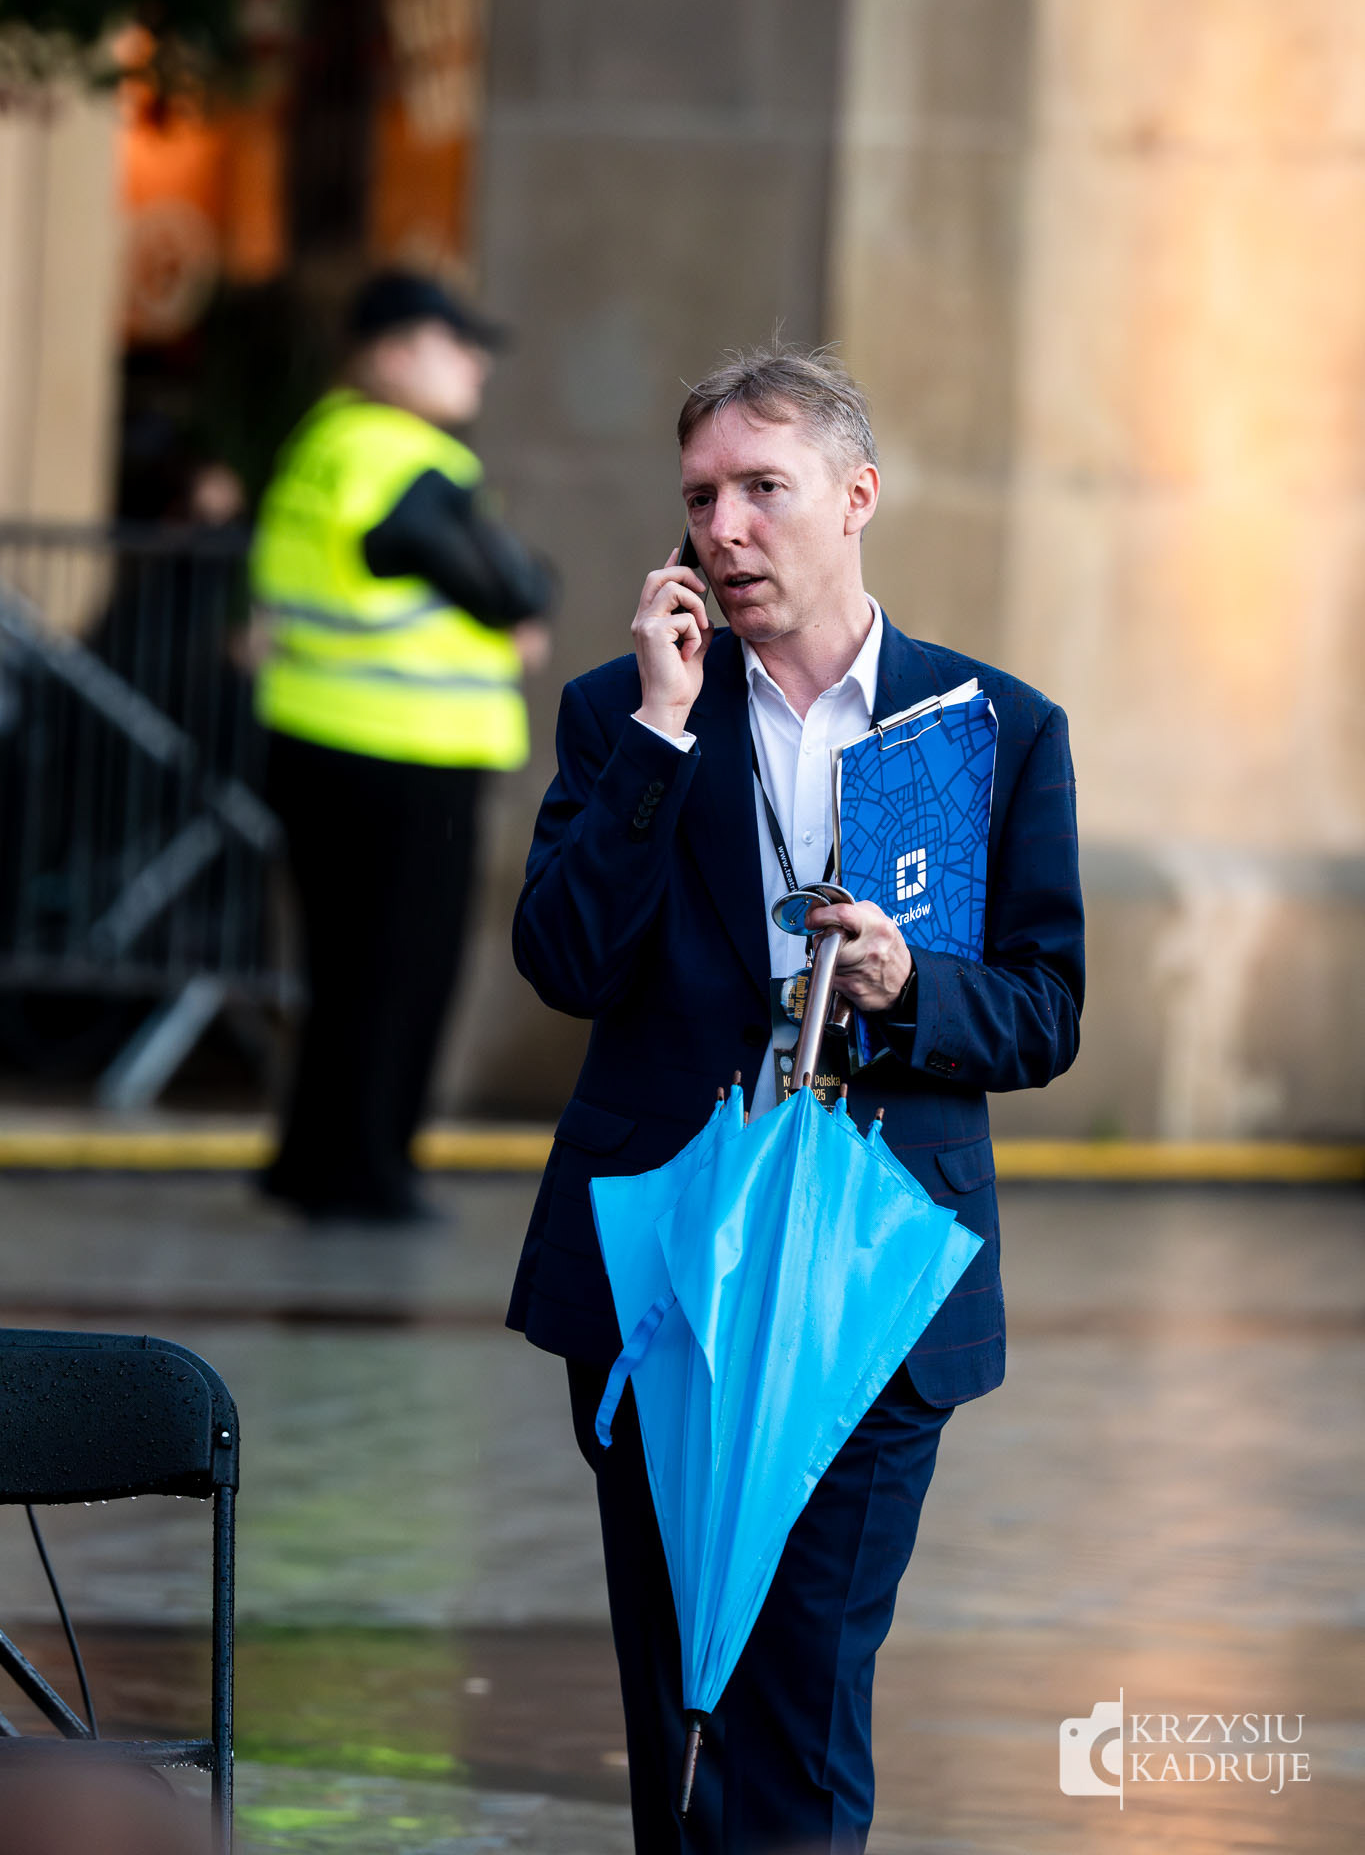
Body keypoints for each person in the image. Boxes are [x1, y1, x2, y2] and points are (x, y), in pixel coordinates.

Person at [507, 348, 1084, 1853]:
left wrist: (911, 987)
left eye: (763, 488)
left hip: (877, 1264)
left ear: (856, 495)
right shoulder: (625, 715)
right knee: (677, 1708)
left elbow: (1045, 1010)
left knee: (804, 1701)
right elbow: (564, 960)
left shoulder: (990, 725)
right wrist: (658, 733)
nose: (726, 528)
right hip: (663, 1258)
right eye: (701, 496)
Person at [252, 270, 553, 1222]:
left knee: (340, 972)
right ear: (389, 353)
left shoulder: (322, 444)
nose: (475, 367)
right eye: (452, 346)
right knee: (403, 972)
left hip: (312, 737)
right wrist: (523, 602)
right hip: (410, 755)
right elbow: (509, 586)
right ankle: (371, 1172)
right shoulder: (414, 459)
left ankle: (309, 1161)